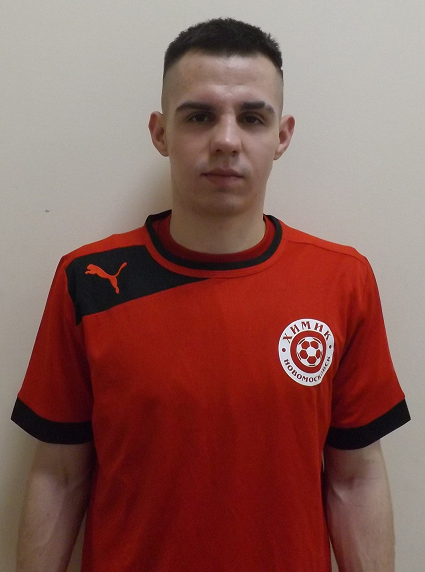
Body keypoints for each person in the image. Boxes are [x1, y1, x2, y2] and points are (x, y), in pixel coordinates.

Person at [12, 17, 410, 572]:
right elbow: (58, 477)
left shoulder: (343, 281)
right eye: (199, 116)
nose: (226, 140)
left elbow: (355, 479)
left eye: (252, 117)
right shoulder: (88, 281)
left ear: (282, 136)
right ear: (160, 133)